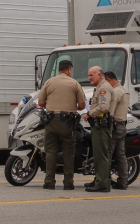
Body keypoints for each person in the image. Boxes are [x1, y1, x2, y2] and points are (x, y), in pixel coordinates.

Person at [37, 60, 86, 190]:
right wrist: (71, 107)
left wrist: (53, 106)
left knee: (50, 152)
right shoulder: (74, 83)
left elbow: (41, 102)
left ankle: (49, 182)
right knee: (68, 153)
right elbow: (82, 106)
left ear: (59, 69)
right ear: (69, 70)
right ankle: (68, 183)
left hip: (51, 121)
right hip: (67, 123)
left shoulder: (49, 82)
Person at [82, 66, 115, 193]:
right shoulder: (100, 87)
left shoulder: (104, 88)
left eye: (91, 75)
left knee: (101, 155)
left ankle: (102, 184)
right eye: (89, 75)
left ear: (100, 75)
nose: (89, 77)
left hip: (101, 126)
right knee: (98, 155)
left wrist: (89, 113)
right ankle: (99, 179)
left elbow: (104, 107)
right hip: (98, 125)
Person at [104, 71, 130, 190]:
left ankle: (103, 180)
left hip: (114, 126)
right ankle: (123, 181)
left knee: (107, 154)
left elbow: (110, 110)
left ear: (108, 80)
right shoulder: (124, 90)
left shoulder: (115, 92)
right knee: (121, 155)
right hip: (122, 126)